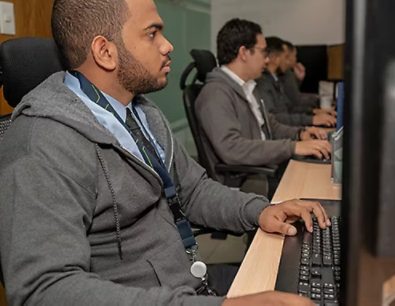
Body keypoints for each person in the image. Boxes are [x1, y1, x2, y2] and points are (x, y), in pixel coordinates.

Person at [0, 1, 330, 305]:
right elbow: (44, 290)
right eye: (152, 33)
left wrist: (259, 211)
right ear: (105, 51)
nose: (167, 45)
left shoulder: (141, 112)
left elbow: (194, 190)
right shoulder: (41, 144)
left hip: (190, 285)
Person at [195, 19, 331, 197]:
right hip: (246, 184)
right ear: (244, 52)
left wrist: (300, 133)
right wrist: (292, 147)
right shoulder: (215, 94)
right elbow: (232, 149)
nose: (267, 59)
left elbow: (270, 125)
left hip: (264, 169)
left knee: (321, 180)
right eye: (263, 52)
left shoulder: (248, 87)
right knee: (318, 191)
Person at [256, 37, 336, 127]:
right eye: (285, 57)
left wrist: (313, 112)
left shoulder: (276, 79)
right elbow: (273, 118)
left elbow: (289, 108)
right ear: (275, 59)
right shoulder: (263, 82)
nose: (289, 61)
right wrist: (310, 119)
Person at [281, 41, 336, 117]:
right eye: (294, 56)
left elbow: (293, 95)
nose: (296, 59)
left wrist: (299, 79)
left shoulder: (288, 72)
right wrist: (317, 100)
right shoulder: (286, 73)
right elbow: (296, 100)